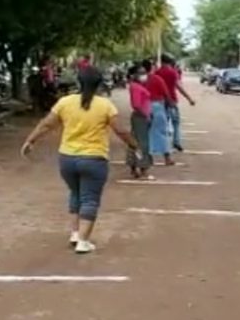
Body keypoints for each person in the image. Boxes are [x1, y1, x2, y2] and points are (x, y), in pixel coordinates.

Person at [21, 67, 140, 254]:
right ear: (99, 84)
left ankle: (75, 233)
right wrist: (134, 145)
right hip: (94, 159)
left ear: (79, 82)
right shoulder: (105, 105)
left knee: (76, 193)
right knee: (90, 199)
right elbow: (121, 131)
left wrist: (30, 141)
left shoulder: (65, 102)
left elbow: (46, 124)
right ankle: (83, 241)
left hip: (67, 158)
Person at [156, 54, 196, 153]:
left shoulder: (157, 73)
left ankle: (162, 144)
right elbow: (179, 87)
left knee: (162, 124)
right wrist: (189, 98)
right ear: (170, 62)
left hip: (160, 101)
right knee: (175, 123)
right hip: (172, 101)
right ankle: (176, 142)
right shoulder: (172, 73)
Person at [142, 59, 176, 166]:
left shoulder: (140, 80)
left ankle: (149, 158)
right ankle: (167, 158)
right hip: (157, 106)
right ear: (151, 67)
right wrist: (171, 104)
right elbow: (166, 93)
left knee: (145, 134)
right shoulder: (157, 79)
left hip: (144, 107)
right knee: (161, 132)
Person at [127, 65, 153, 180]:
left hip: (141, 116)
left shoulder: (136, 86)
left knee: (135, 141)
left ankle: (134, 167)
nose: (144, 75)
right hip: (140, 117)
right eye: (141, 73)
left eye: (144, 72)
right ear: (134, 75)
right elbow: (137, 105)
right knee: (142, 143)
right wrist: (146, 115)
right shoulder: (136, 87)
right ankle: (142, 168)